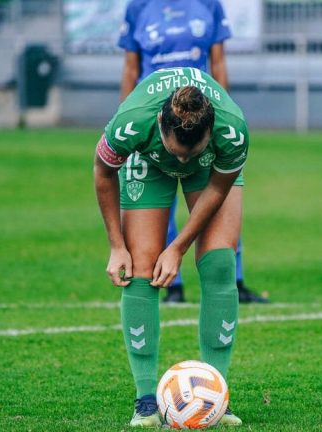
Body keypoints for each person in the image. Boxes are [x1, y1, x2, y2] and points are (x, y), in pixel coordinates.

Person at [94, 67, 246, 427]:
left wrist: (177, 246)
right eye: (175, 151)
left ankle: (215, 396)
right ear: (161, 122)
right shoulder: (132, 122)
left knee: (221, 264)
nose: (182, 160)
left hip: (210, 173)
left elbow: (219, 189)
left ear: (210, 132)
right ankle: (145, 400)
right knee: (140, 269)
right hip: (148, 164)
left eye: (189, 152)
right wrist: (117, 245)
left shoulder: (232, 130)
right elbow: (102, 172)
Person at [118, 0, 267, 304]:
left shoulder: (208, 5)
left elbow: (219, 63)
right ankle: (173, 286)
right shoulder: (138, 8)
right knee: (162, 208)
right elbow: (132, 68)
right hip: (160, 125)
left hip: (199, 122)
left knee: (222, 199)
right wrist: (128, 120)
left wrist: (224, 112)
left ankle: (233, 280)